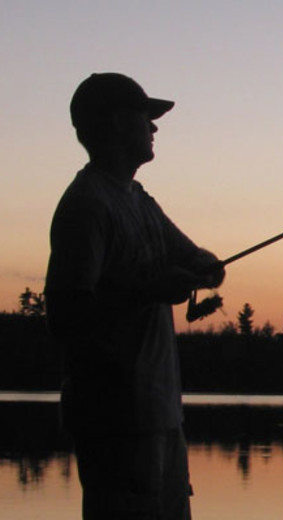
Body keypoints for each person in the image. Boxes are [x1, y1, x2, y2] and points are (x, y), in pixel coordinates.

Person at [45, 72, 225, 520]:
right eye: (147, 118)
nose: (155, 128)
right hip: (113, 421)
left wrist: (207, 269)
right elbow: (64, 315)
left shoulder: (139, 200)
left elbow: (200, 263)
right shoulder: (87, 205)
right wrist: (149, 290)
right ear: (117, 124)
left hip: (162, 414)